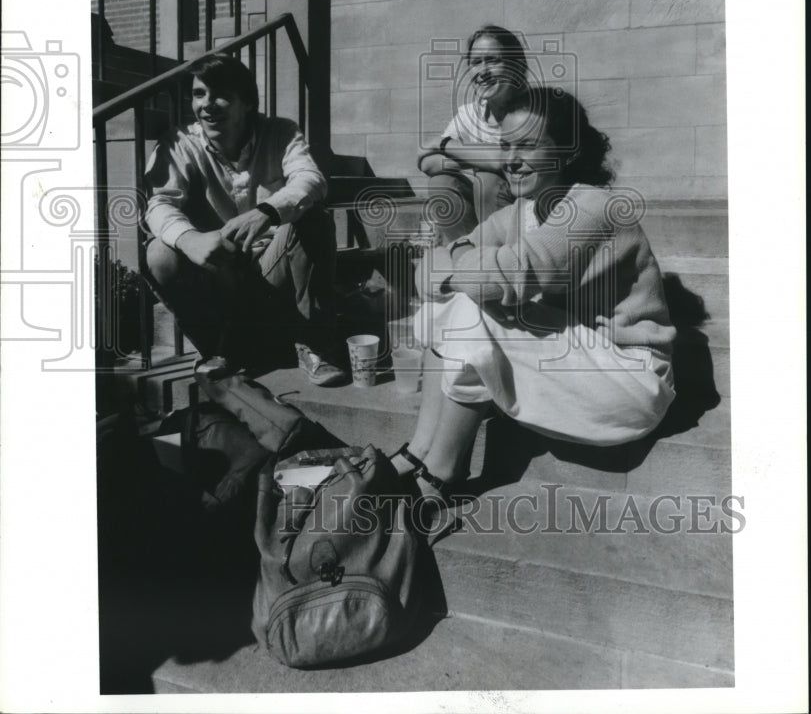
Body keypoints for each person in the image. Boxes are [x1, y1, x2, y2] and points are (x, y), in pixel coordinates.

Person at [392, 86, 676, 532]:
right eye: (506, 146)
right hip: (573, 359)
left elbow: (508, 277)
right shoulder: (519, 212)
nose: (511, 159)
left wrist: (460, 256)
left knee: (474, 307)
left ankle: (442, 472)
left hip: (628, 379)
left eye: (527, 145)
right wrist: (461, 262)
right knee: (444, 307)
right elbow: (426, 272)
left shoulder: (594, 206)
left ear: (566, 152)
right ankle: (419, 451)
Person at [144, 53, 345, 385]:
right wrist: (190, 240)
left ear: (248, 102)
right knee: (159, 253)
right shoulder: (179, 142)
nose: (207, 105)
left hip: (273, 272)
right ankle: (218, 348)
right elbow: (159, 203)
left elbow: (311, 179)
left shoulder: (280, 132)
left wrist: (267, 212)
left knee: (314, 217)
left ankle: (314, 343)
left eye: (221, 95)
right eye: (199, 94)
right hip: (218, 273)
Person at [418, 24, 529, 243]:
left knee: (487, 182)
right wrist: (481, 160)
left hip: (532, 209)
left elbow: (504, 158)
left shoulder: (531, 112)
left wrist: (444, 144)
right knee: (441, 182)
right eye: (476, 62)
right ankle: (465, 253)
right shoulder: (470, 114)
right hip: (484, 211)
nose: (482, 71)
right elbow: (427, 162)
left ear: (516, 65)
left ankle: (501, 256)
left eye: (493, 60)